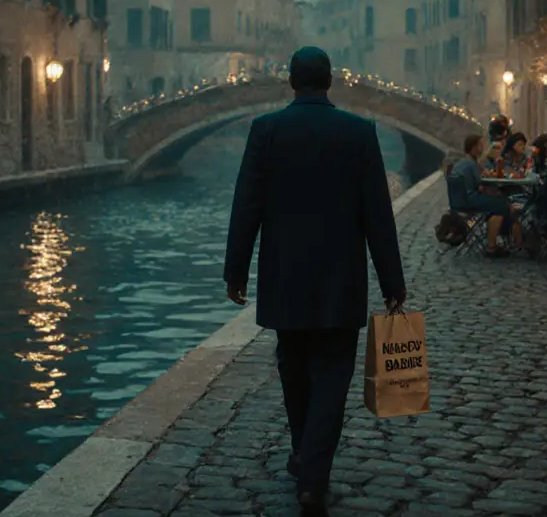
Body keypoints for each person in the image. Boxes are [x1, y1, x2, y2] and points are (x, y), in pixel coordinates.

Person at [223, 46, 407, 515]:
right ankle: (312, 475)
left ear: (291, 82)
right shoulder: (359, 133)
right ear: (330, 82)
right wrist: (392, 281)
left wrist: (236, 270)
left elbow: (247, 206)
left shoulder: (265, 131)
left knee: (294, 368)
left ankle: (306, 458)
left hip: (284, 276)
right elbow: (377, 216)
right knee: (332, 376)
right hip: (340, 278)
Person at [449, 134, 521, 257]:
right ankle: (492, 246)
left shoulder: (463, 162)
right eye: (480, 145)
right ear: (473, 147)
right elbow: (480, 183)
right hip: (470, 200)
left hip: (458, 201)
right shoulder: (471, 164)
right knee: (501, 204)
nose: (482, 147)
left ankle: (497, 240)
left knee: (498, 203)